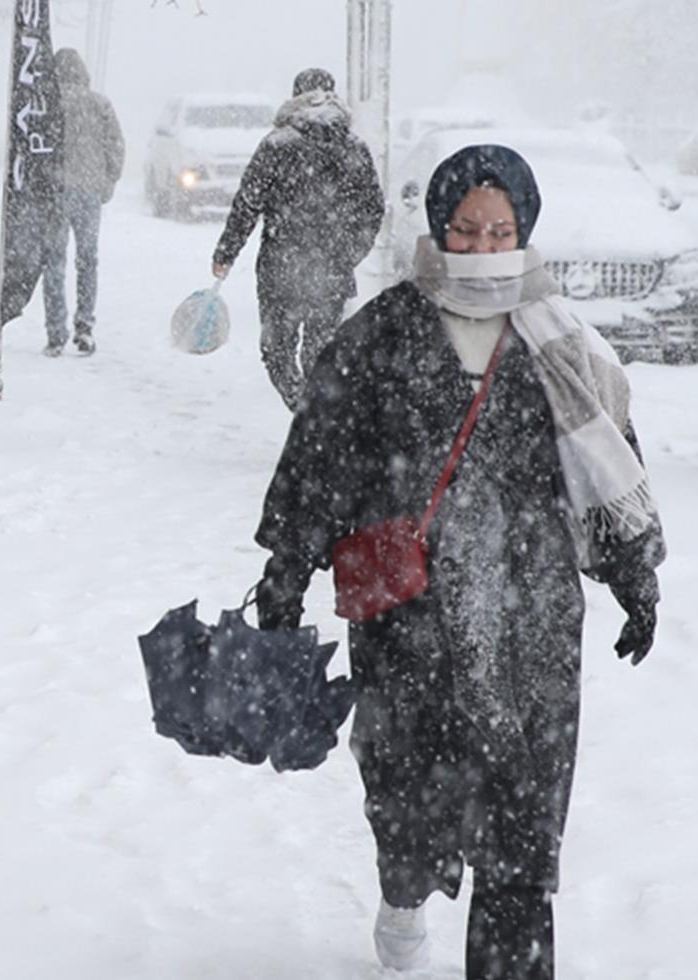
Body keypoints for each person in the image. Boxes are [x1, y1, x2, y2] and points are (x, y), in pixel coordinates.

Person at [253, 144, 664, 978]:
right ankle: (404, 884)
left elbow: (606, 463)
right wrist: (286, 569)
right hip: (412, 620)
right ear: (440, 227)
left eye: (499, 231)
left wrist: (633, 575)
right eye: (466, 230)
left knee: (522, 827)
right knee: (408, 794)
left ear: (525, 230)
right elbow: (321, 456)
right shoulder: (383, 332)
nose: (482, 247)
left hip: (530, 618)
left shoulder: (558, 339)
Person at [211, 67, 385, 410]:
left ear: (294, 98)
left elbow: (247, 204)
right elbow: (373, 209)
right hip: (332, 269)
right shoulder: (354, 147)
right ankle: (316, 414)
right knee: (321, 351)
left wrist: (225, 253)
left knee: (277, 352)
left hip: (280, 268)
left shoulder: (277, 145)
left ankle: (301, 407)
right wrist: (350, 252)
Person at [41, 47, 124, 357]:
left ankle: (55, 332)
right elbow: (116, 145)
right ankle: (85, 326)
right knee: (87, 260)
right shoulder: (99, 104)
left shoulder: (47, 103)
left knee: (54, 262)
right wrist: (108, 180)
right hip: (89, 191)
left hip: (55, 191)